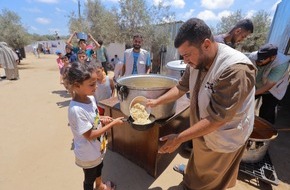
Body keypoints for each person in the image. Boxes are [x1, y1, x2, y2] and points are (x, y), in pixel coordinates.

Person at [147, 18, 256, 190]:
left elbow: (217, 119)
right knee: (198, 165)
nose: (185, 61)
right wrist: (156, 101)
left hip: (223, 137)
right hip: (203, 131)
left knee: (209, 181)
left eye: (187, 55)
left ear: (206, 44)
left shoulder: (236, 69)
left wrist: (179, 138)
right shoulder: (197, 61)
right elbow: (181, 87)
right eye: (182, 56)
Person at [63, 62, 124, 190]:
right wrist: (113, 123)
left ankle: (100, 186)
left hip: (97, 148)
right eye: (91, 84)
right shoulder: (76, 110)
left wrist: (101, 118)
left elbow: (92, 117)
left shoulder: (90, 98)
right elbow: (90, 135)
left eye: (96, 82)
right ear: (77, 86)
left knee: (99, 168)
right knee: (89, 179)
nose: (96, 87)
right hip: (88, 154)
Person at [248, 43, 290, 124]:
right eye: (258, 57)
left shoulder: (281, 63)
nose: (258, 61)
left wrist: (250, 93)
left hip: (273, 89)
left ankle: (265, 130)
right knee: (244, 103)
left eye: (262, 59)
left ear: (272, 57)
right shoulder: (253, 56)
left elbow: (268, 86)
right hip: (257, 85)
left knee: (266, 112)